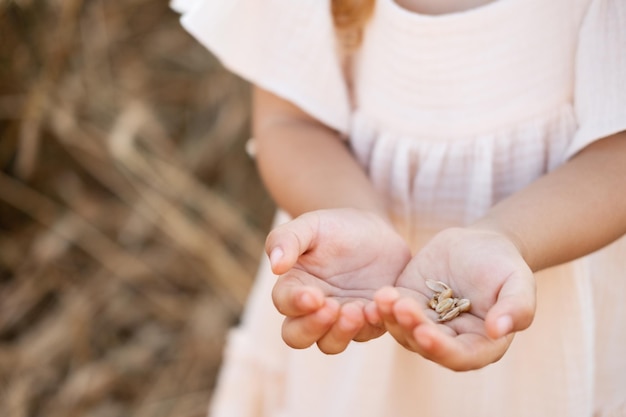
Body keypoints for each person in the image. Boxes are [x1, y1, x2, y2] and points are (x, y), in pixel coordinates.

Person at [172, 0, 626, 415]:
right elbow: (290, 121)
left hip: (550, 298)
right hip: (358, 291)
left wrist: (511, 237)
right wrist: (351, 211)